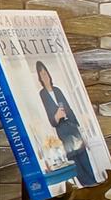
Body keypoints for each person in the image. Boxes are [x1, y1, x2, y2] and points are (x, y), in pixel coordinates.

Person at [35, 59, 98, 187]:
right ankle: (86, 184)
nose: (44, 76)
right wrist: (57, 117)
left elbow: (69, 109)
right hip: (62, 130)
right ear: (39, 78)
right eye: (41, 75)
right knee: (73, 158)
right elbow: (51, 119)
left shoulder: (57, 90)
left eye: (45, 73)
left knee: (83, 154)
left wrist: (79, 128)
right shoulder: (42, 94)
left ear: (49, 74)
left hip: (72, 126)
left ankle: (94, 182)